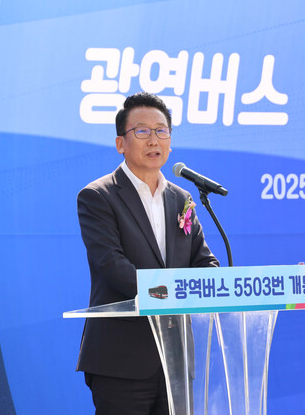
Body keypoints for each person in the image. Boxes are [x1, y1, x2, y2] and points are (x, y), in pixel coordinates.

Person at [76, 92, 219, 414]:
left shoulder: (182, 198)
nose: (154, 140)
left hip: (176, 359)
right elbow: (112, 265)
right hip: (121, 359)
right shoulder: (98, 196)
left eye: (161, 131)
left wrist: (210, 284)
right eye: (142, 131)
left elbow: (204, 263)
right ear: (121, 143)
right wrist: (172, 293)